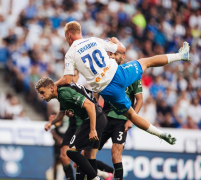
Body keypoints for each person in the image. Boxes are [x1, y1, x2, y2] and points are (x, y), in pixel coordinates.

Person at [56, 21, 188, 144]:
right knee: (147, 62)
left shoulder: (70, 53)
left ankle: (160, 134)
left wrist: (54, 85)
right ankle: (180, 56)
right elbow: (122, 49)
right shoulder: (94, 40)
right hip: (119, 74)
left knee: (131, 114)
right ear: (79, 32)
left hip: (107, 90)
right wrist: (117, 41)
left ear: (68, 35)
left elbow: (67, 80)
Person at [45, 70, 113, 180]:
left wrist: (99, 131)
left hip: (88, 125)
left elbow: (93, 106)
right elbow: (62, 114)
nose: (71, 78)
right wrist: (52, 123)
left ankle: (107, 173)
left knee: (82, 160)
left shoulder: (80, 90)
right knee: (65, 156)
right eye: (69, 77)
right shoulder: (64, 92)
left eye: (74, 76)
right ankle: (99, 175)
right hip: (73, 128)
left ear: (78, 77)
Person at [99, 51, 143, 180]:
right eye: (110, 54)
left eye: (115, 54)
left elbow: (139, 100)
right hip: (105, 119)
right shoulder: (104, 73)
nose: (112, 56)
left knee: (116, 154)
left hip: (122, 121)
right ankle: (105, 174)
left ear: (122, 57)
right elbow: (96, 98)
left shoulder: (132, 75)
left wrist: (131, 119)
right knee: (86, 154)